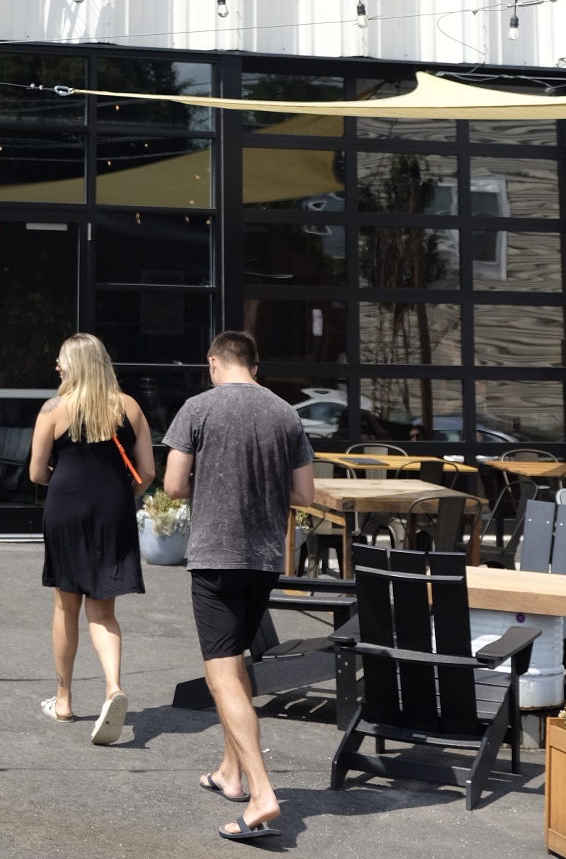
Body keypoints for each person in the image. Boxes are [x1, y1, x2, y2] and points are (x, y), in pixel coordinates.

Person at [164, 331, 313, 842]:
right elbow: (305, 493)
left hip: (215, 556)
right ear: (255, 364)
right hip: (264, 557)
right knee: (236, 668)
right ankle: (231, 772)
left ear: (213, 362)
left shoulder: (197, 408)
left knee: (222, 676)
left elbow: (174, 485)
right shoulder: (286, 413)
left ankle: (262, 792)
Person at [29, 332, 155, 746]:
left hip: (66, 509)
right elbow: (149, 473)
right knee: (102, 612)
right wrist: (123, 496)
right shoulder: (129, 407)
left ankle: (63, 700)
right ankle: (113, 688)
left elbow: (35, 473)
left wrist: (63, 484)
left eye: (62, 361)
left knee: (66, 607)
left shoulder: (53, 408)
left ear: (76, 365)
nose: (57, 367)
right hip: (113, 511)